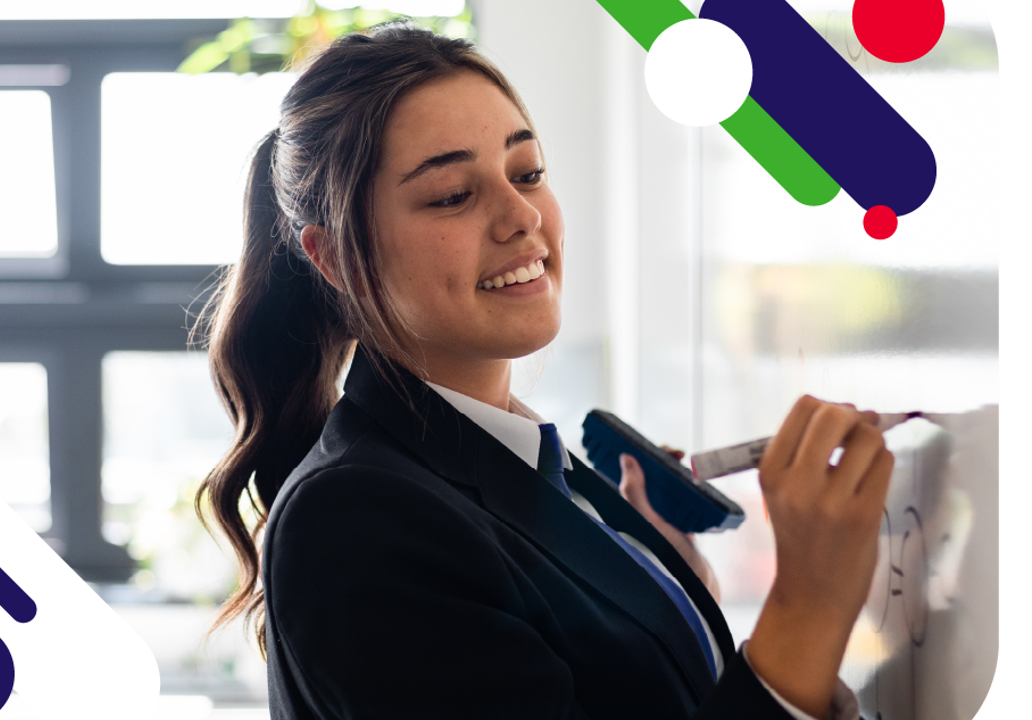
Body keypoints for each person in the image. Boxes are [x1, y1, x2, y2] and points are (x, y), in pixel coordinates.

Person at [193, 20, 893, 720]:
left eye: (526, 173)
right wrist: (808, 608)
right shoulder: (353, 520)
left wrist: (670, 587)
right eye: (452, 196)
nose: (521, 215)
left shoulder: (532, 473)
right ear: (337, 258)